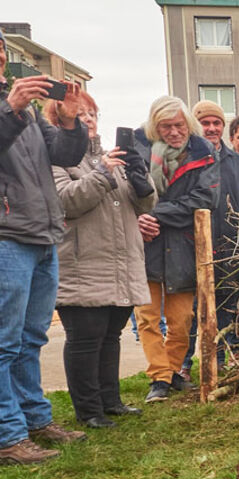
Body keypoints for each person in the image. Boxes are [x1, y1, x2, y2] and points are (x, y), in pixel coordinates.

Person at [0, 28, 91, 465]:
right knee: (3, 341)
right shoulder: (14, 108)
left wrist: (70, 119)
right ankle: (7, 436)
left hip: (41, 234)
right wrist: (11, 109)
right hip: (6, 238)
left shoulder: (30, 113)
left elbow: (65, 155)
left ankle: (35, 420)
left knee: (31, 337)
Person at [45, 91, 155, 429]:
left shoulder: (112, 158)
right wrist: (104, 174)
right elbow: (66, 202)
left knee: (111, 335)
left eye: (92, 114)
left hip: (120, 264)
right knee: (85, 338)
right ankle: (88, 410)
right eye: (80, 114)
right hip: (82, 265)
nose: (89, 120)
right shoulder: (55, 160)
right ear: (61, 119)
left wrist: (139, 176)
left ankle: (111, 401)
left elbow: (145, 206)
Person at [133, 96, 219, 403]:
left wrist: (155, 214)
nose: (173, 131)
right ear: (155, 127)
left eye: (179, 125)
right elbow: (128, 194)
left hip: (183, 248)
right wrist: (140, 220)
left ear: (188, 124)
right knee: (147, 317)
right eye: (166, 126)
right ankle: (160, 377)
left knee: (182, 319)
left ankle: (170, 371)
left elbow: (205, 200)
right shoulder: (137, 149)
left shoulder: (203, 152)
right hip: (145, 245)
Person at [180, 100, 239, 378]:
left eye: (216, 123)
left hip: (230, 245)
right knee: (192, 310)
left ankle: (225, 358)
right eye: (205, 123)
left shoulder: (235, 161)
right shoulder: (186, 156)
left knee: (228, 305)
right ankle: (184, 365)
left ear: (223, 126)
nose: (211, 128)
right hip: (193, 243)